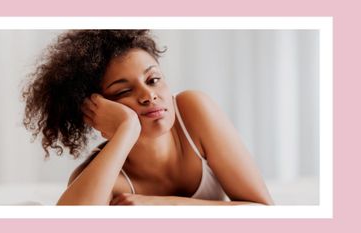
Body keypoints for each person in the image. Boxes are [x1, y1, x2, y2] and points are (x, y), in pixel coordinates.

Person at [22, 30, 274, 205]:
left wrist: (160, 204)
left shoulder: (193, 110)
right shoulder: (104, 175)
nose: (148, 95)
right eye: (123, 91)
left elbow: (263, 211)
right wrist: (127, 129)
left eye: (153, 80)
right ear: (95, 112)